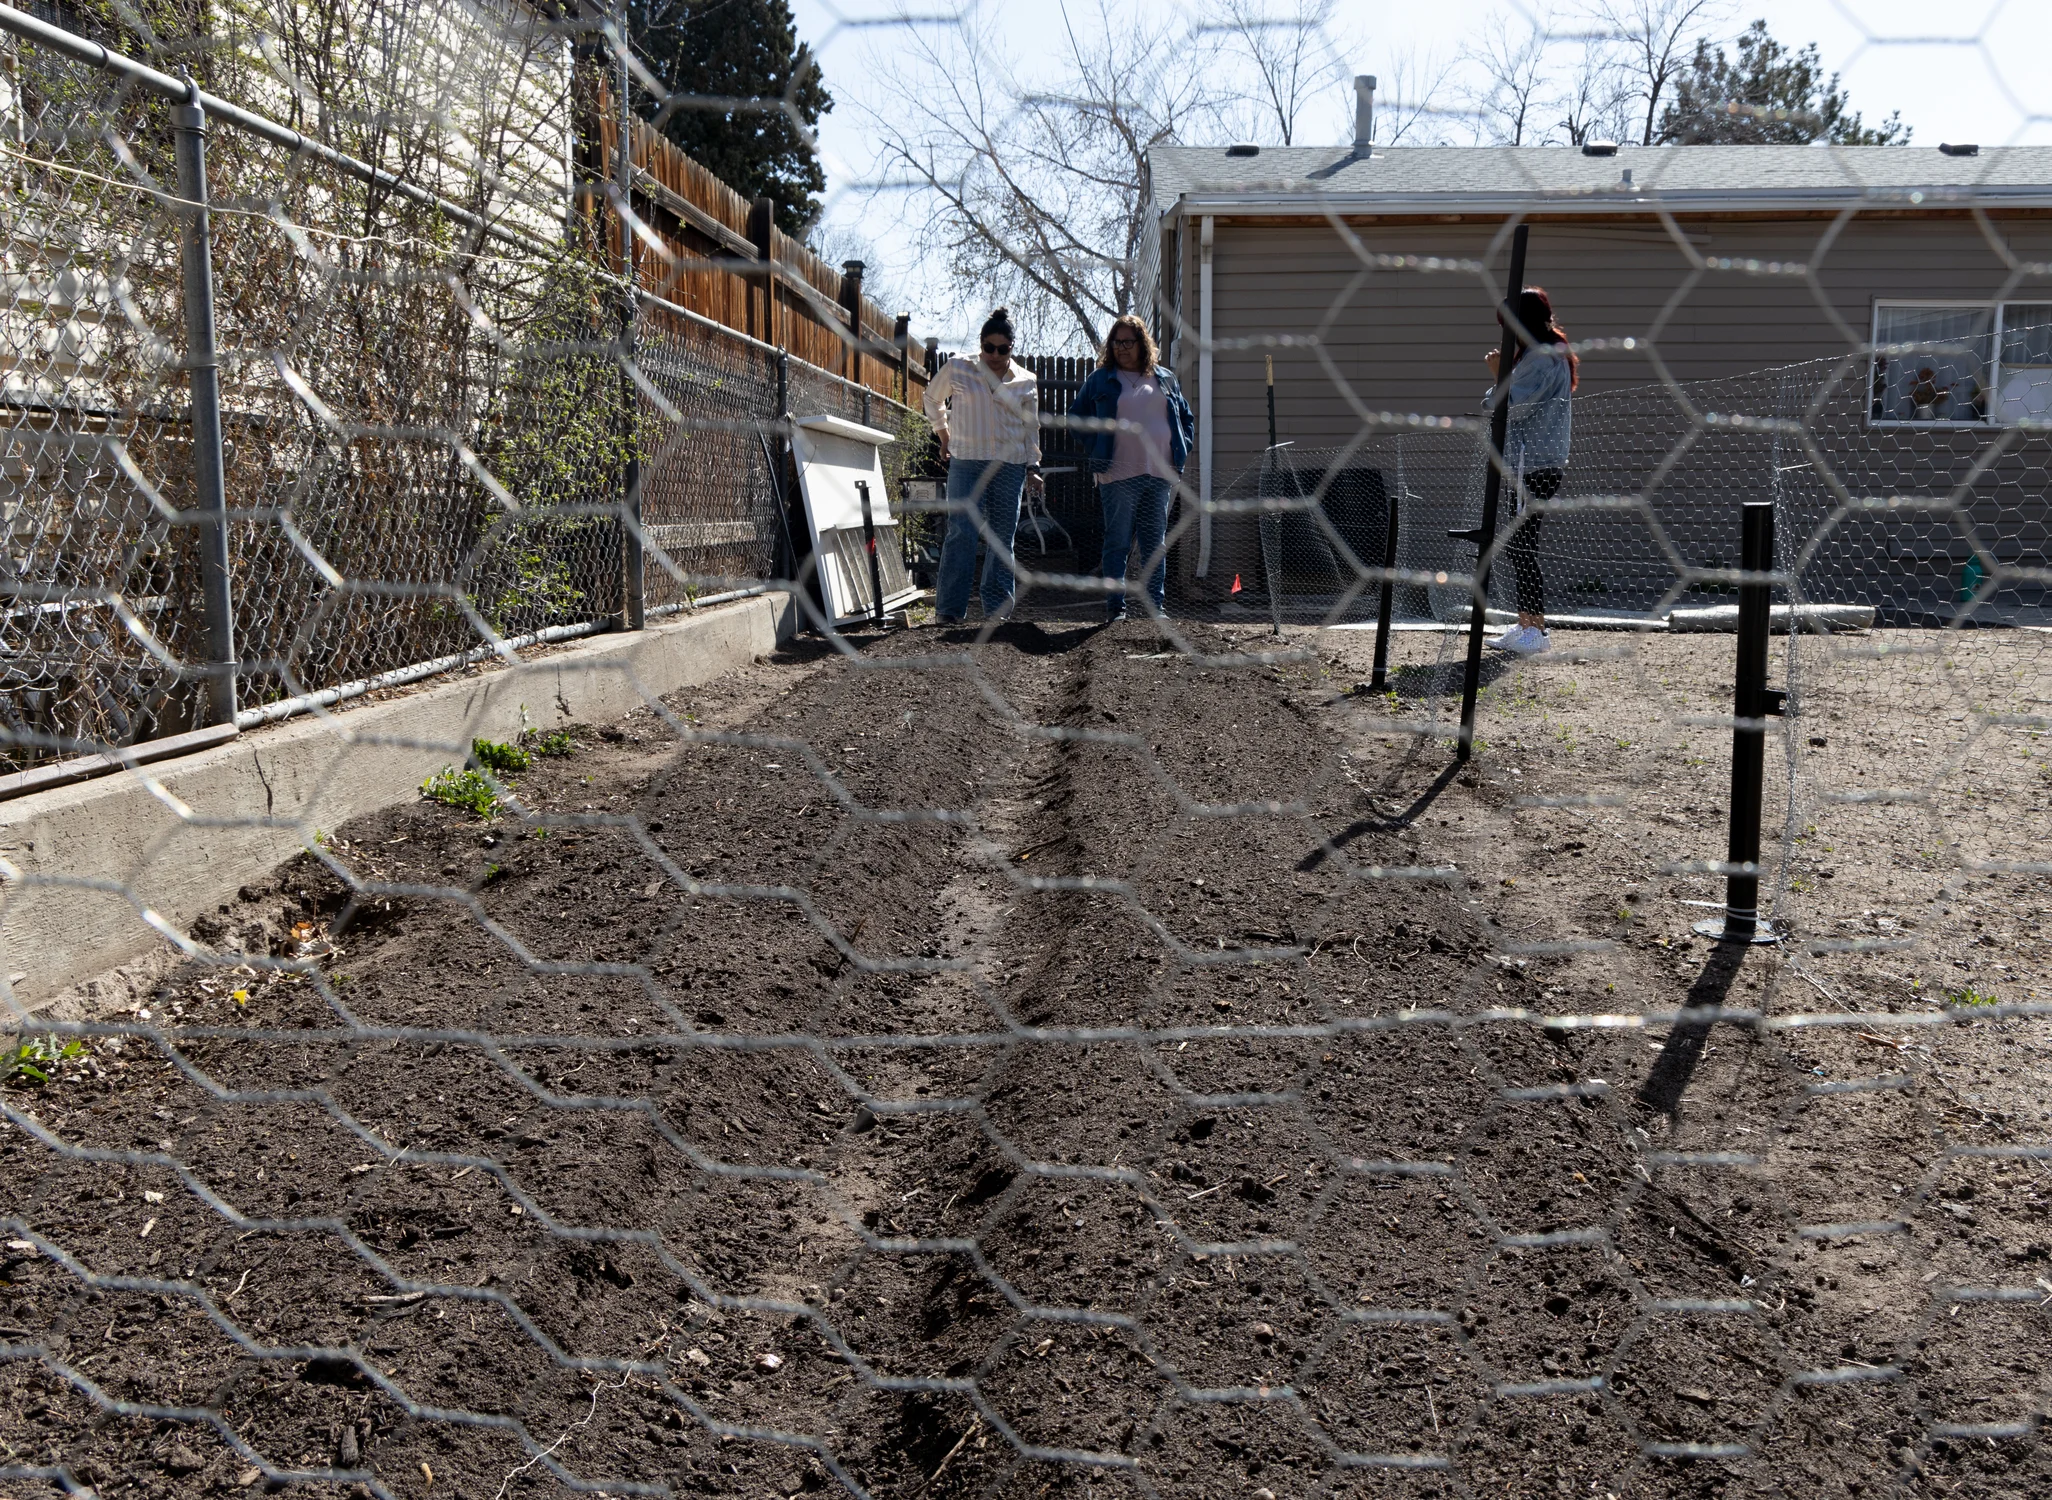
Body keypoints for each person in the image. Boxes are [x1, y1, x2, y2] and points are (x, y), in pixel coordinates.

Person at [1069, 314, 1195, 620]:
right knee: (1118, 541)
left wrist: (1181, 447)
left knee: (1155, 544)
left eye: (1128, 341)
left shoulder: (1164, 378)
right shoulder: (1101, 379)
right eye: (1116, 342)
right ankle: (1117, 609)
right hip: (1118, 473)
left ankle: (1156, 608)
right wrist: (1097, 447)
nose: (1122, 348)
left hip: (1159, 473)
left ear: (1142, 343)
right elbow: (1075, 418)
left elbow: (1185, 418)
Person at [921, 308, 1043, 625]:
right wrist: (943, 435)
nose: (995, 354)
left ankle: (997, 614)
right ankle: (948, 611)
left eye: (1003, 349)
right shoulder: (959, 368)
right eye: (989, 347)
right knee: (961, 533)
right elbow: (931, 398)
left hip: (1010, 465)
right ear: (981, 343)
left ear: (1012, 348)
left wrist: (1034, 467)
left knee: (1002, 538)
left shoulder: (1026, 381)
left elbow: (1031, 428)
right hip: (966, 461)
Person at [1484, 286, 1577, 657]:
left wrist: (1499, 374)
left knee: (1522, 548)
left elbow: (1509, 408)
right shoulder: (1544, 354)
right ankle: (1526, 625)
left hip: (1533, 466)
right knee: (1520, 547)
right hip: (1532, 464)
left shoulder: (1539, 359)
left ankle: (1536, 632)